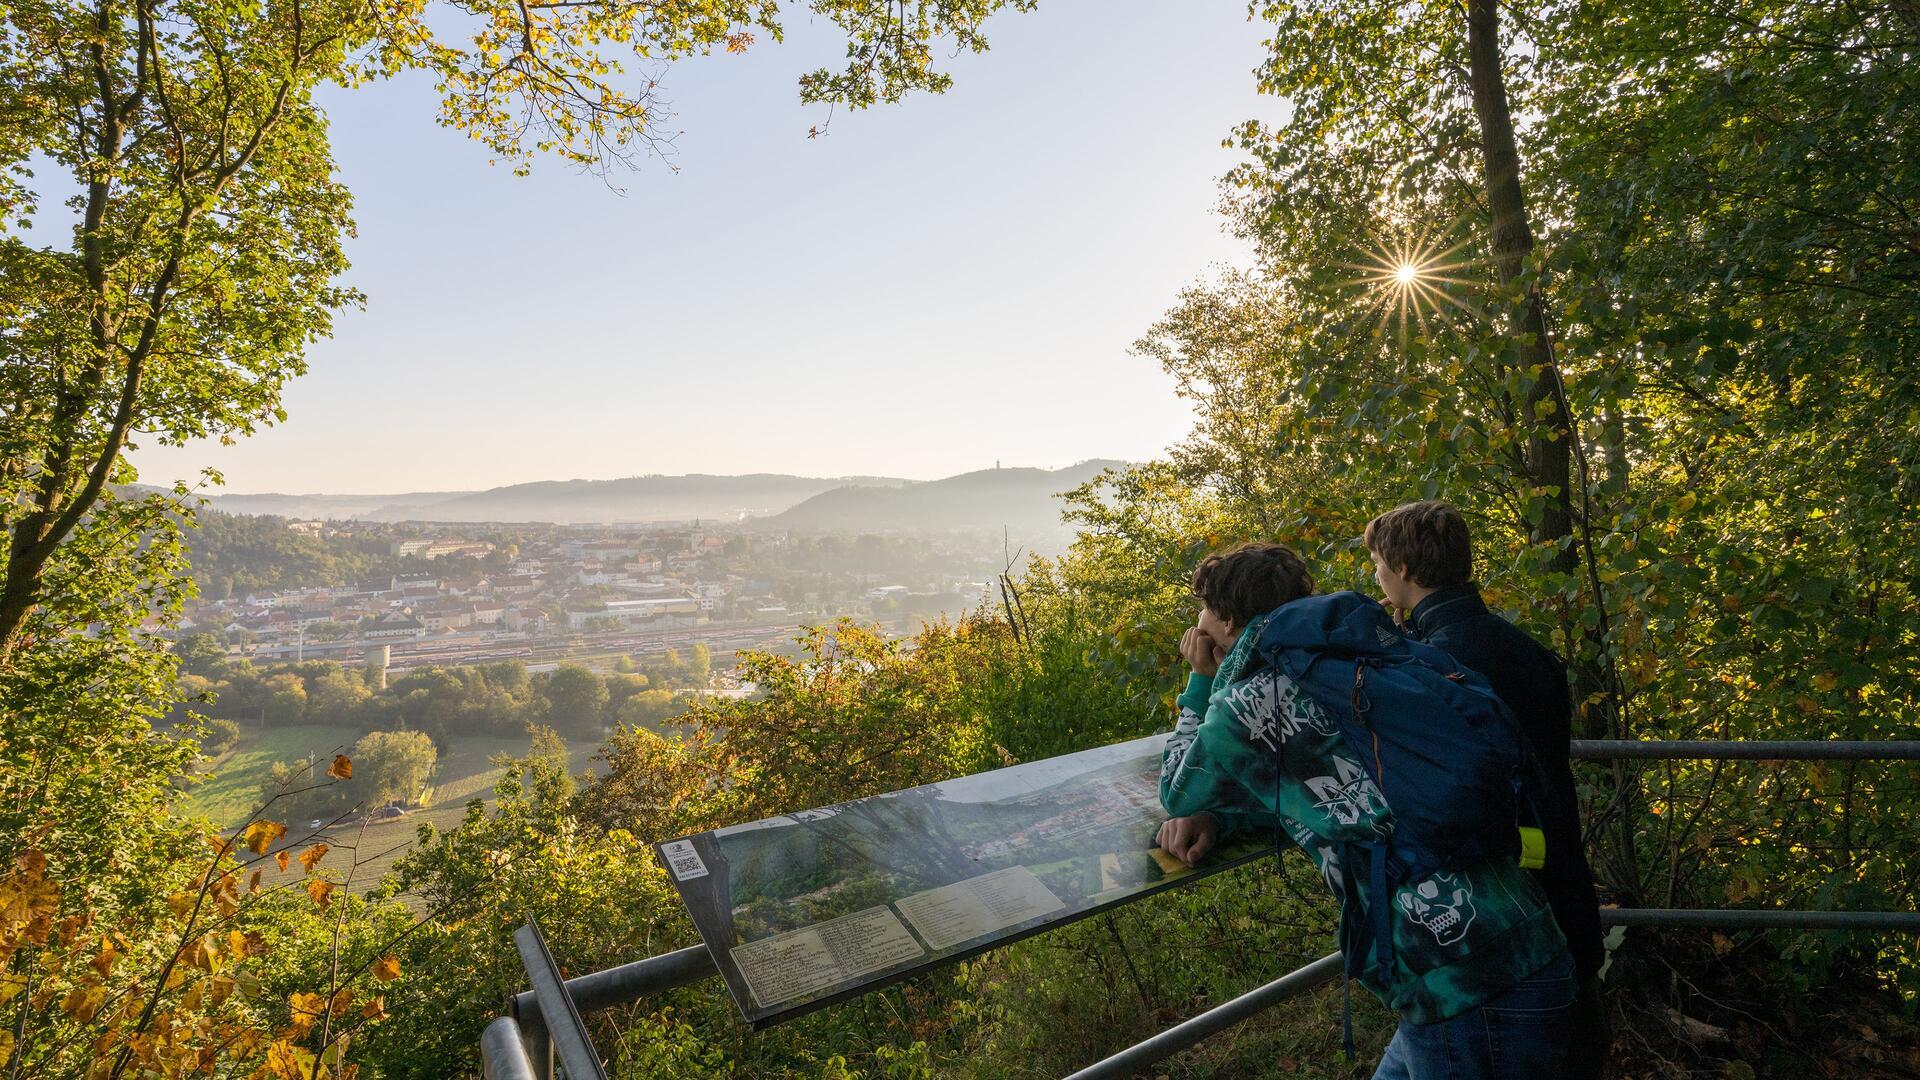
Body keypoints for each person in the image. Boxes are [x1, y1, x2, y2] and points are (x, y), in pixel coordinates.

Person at [1158, 541, 1573, 1079]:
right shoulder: (1345, 659)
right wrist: (1223, 818)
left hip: (1465, 983)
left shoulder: (1244, 701)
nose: (1198, 619)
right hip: (1506, 944)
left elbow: (1176, 790)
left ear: (1228, 619)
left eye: (1204, 608)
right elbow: (1344, 789)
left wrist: (1201, 681)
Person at [1363, 500, 1609, 1078]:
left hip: (1497, 925)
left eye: (1377, 562)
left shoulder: (1429, 669)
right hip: (1566, 889)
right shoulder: (1525, 648)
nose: (1375, 576)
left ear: (1402, 566)